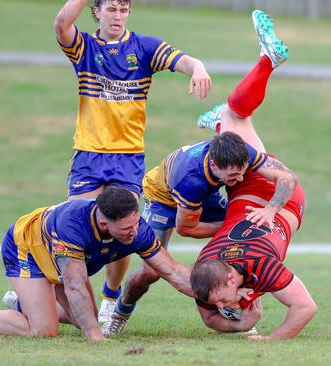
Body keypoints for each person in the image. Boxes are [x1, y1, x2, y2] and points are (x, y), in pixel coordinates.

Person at [103, 9, 315, 340]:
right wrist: (230, 225)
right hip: (167, 198)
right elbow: (187, 228)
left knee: (236, 113)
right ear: (215, 168)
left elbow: (288, 178)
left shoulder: (238, 159)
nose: (238, 179)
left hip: (226, 203)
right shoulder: (192, 181)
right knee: (150, 272)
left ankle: (231, 108)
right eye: (232, 177)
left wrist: (269, 210)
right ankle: (119, 310)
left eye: (241, 172)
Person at [54, 0, 212, 322]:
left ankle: (109, 301)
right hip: (89, 154)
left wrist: (198, 67)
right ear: (96, 11)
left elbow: (183, 59)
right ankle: (57, 296)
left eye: (124, 10)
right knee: (74, 229)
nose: (118, 16)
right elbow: (61, 24)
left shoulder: (143, 48)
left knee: (123, 231)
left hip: (127, 158)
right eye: (111, 9)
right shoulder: (84, 47)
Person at [0, 186, 194, 342]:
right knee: (45, 331)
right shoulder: (73, 226)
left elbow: (172, 270)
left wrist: (215, 296)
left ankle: (24, 303)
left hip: (60, 261)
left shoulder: (136, 229)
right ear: (104, 224)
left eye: (136, 223)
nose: (135, 232)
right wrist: (95, 337)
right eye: (127, 228)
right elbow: (73, 284)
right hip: (27, 248)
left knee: (86, 317)